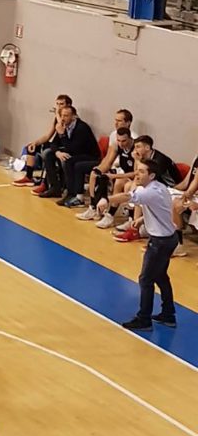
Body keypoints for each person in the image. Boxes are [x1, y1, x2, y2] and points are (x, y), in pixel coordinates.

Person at [106, 159, 178, 330]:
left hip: (160, 242)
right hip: (169, 238)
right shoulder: (159, 187)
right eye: (137, 170)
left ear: (151, 176)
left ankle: (144, 319)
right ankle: (168, 314)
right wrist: (142, 219)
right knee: (160, 276)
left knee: (145, 279)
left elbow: (126, 197)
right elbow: (160, 209)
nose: (137, 174)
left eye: (142, 171)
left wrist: (105, 199)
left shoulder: (150, 192)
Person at [36, 106, 100, 201]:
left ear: (74, 117)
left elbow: (73, 149)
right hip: (73, 152)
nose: (62, 118)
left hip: (88, 155)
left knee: (67, 160)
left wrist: (62, 134)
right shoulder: (63, 125)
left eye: (66, 116)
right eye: (61, 115)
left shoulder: (81, 128)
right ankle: (55, 188)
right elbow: (54, 143)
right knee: (47, 154)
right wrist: (57, 152)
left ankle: (71, 193)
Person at [12, 94, 73, 188]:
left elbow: (61, 127)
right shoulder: (57, 118)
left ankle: (45, 183)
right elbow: (48, 136)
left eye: (61, 104)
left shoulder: (68, 117)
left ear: (68, 105)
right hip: (55, 144)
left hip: (64, 147)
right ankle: (28, 177)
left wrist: (57, 114)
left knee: (47, 153)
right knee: (32, 147)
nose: (58, 107)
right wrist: (35, 143)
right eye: (57, 104)